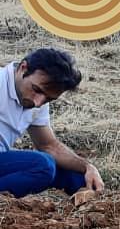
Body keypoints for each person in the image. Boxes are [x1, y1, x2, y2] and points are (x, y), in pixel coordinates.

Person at [0, 47, 105, 199]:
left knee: (77, 178)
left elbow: (48, 145)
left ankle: (91, 204)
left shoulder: (38, 100)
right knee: (43, 165)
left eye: (48, 99)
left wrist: (87, 167)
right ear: (23, 68)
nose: (38, 102)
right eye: (36, 89)